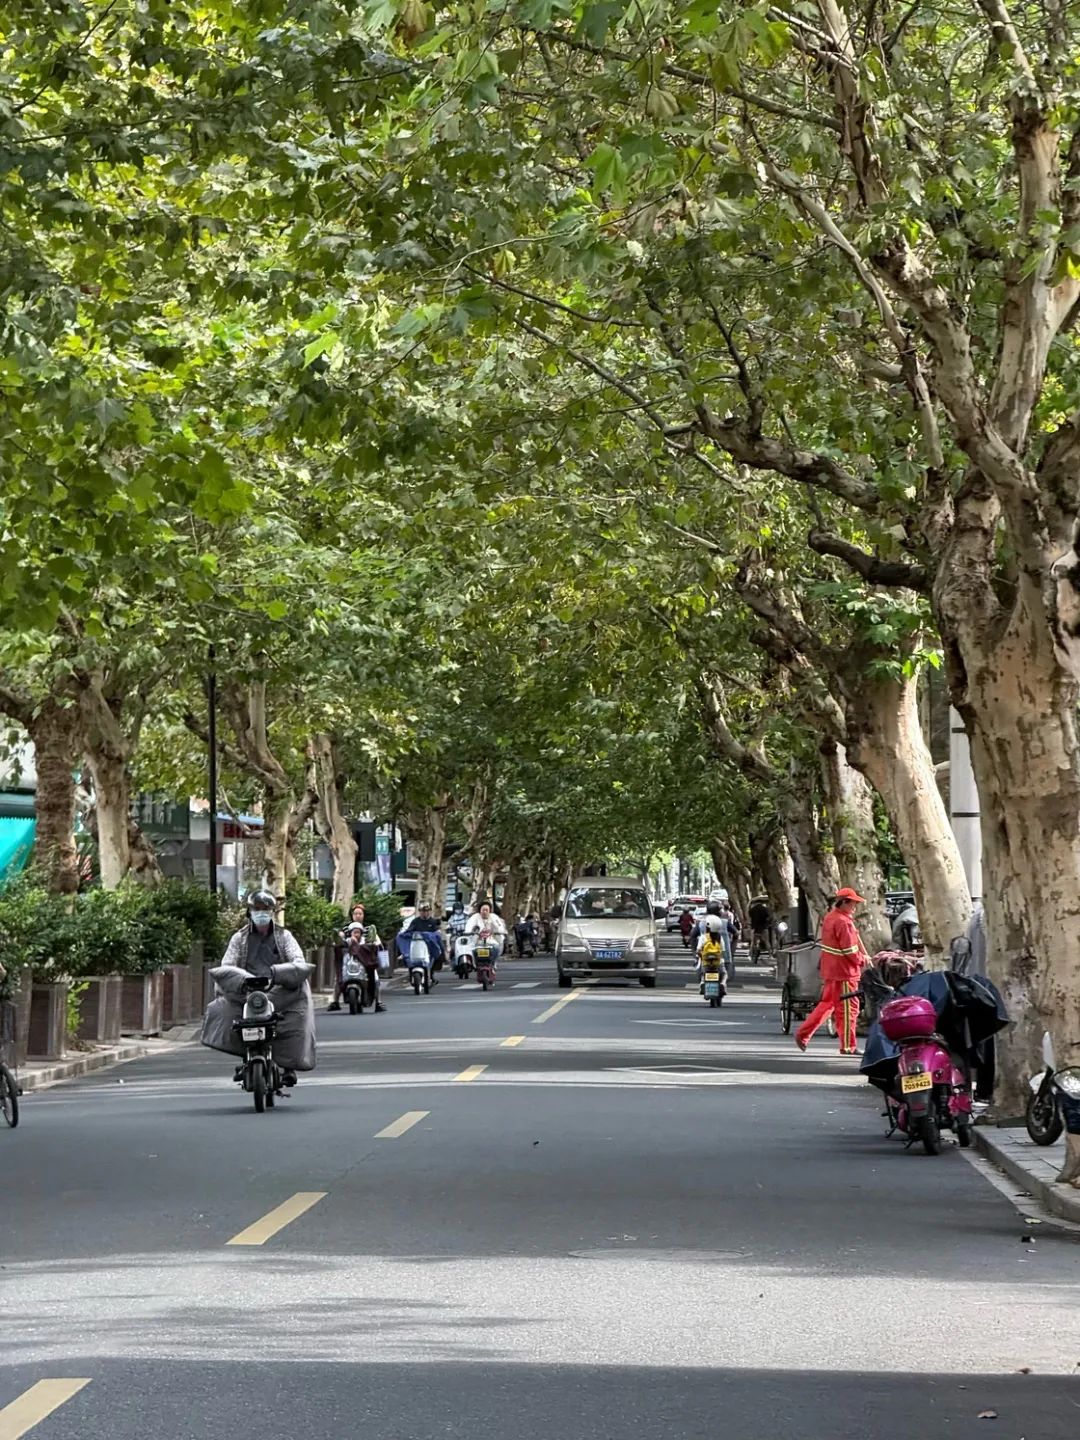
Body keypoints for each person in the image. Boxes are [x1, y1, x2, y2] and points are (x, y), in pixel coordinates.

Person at [200, 890, 316, 1086]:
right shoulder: (239, 938)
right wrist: (241, 981)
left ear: (272, 912)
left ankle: (288, 1066)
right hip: (248, 992)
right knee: (228, 1011)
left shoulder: (284, 937)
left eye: (266, 909)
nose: (261, 913)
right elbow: (227, 963)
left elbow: (297, 959)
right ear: (250, 912)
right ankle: (247, 1058)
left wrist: (281, 975)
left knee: (296, 1011)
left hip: (277, 990)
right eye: (257, 909)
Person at [796, 887, 870, 1056]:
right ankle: (848, 1046)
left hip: (831, 970)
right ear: (844, 902)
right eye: (853, 903)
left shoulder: (831, 917)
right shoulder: (844, 922)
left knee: (827, 1004)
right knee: (848, 1009)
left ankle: (803, 1034)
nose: (855, 907)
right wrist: (862, 959)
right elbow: (850, 951)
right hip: (845, 972)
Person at [340, 914, 387, 1013]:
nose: (356, 934)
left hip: (366, 966)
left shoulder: (366, 941)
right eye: (354, 932)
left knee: (376, 980)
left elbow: (377, 945)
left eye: (358, 932)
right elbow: (340, 944)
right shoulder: (348, 941)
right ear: (350, 933)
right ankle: (336, 1000)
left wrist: (375, 945)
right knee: (339, 979)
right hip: (352, 966)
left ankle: (378, 1002)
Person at [748, 895, 774, 962]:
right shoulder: (765, 909)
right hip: (764, 928)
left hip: (755, 928)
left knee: (753, 942)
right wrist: (767, 924)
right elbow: (769, 917)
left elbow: (750, 917)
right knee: (767, 941)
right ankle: (770, 955)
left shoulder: (752, 910)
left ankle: (750, 954)